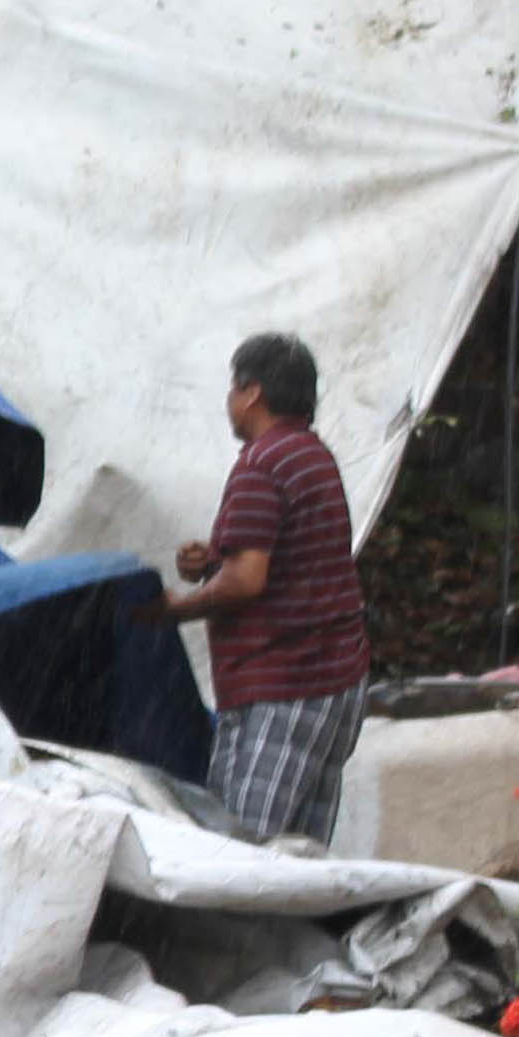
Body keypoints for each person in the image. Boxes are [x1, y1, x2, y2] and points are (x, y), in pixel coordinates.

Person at [159, 329, 370, 842]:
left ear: (252, 392)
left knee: (242, 856)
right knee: (297, 861)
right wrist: (214, 559)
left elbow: (249, 580)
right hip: (336, 680)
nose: (229, 401)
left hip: (284, 684)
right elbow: (294, 557)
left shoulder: (260, 463)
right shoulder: (310, 455)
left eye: (233, 388)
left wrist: (173, 610)